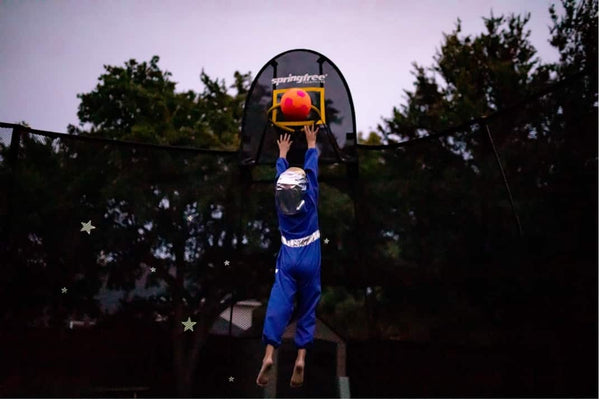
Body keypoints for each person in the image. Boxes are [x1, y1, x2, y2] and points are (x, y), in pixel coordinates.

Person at [256, 124, 321, 388]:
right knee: (308, 307)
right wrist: (311, 143)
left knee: (278, 303)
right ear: (305, 188)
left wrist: (282, 153)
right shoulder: (312, 198)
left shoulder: (280, 202)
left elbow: (280, 176)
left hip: (288, 256)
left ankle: (269, 354)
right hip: (310, 256)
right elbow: (312, 172)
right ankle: (301, 357)